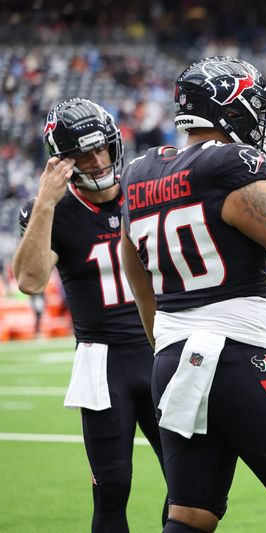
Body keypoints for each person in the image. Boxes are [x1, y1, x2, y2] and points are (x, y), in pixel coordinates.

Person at [119, 56, 266, 533]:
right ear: (231, 111)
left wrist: (163, 337)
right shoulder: (227, 163)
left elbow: (133, 268)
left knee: (190, 513)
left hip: (172, 358)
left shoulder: (139, 174)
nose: (260, 123)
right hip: (239, 354)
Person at [12, 98, 167, 532]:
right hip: (103, 363)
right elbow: (29, 280)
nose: (97, 160)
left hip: (163, 349)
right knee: (112, 491)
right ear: (62, 161)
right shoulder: (54, 211)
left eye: (101, 148)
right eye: (83, 153)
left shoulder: (146, 189)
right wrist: (44, 204)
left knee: (192, 486)